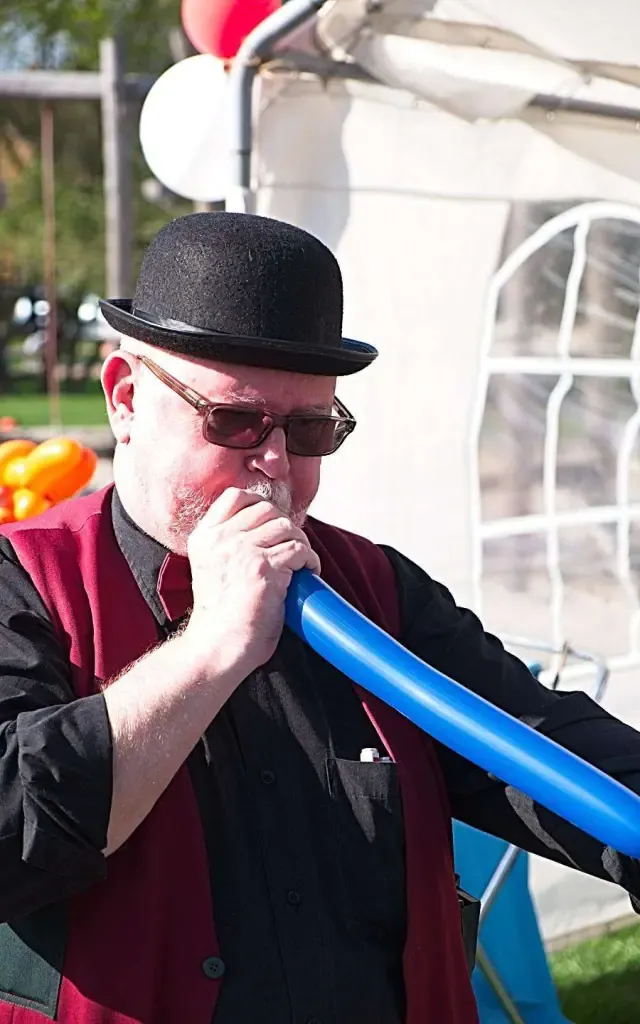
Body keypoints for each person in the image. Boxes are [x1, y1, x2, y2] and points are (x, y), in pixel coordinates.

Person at [1, 213, 640, 1024]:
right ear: (126, 398)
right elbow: (13, 829)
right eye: (232, 421)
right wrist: (212, 646)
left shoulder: (374, 588)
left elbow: (543, 748)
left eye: (310, 430)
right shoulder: (25, 581)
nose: (274, 463)